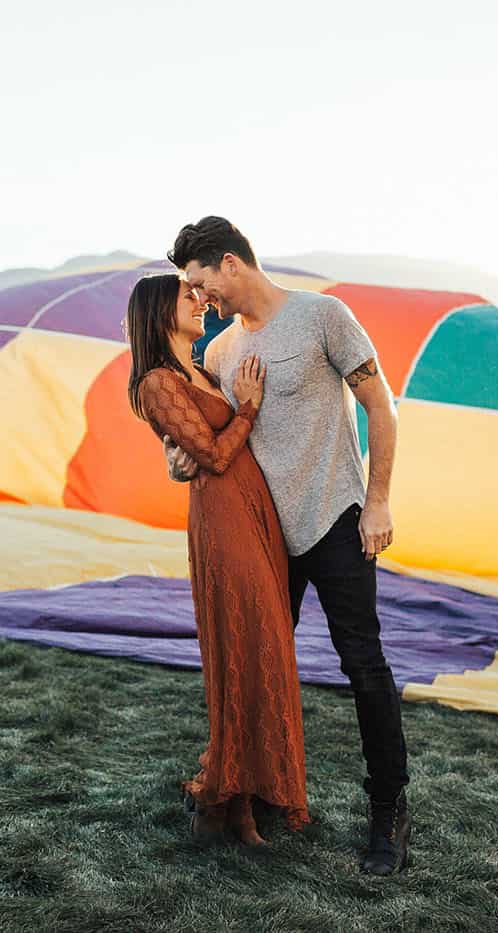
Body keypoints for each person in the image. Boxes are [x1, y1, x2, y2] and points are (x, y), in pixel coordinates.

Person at [166, 217, 411, 875]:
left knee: (363, 664)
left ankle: (388, 810)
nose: (199, 296)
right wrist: (177, 460)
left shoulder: (323, 316)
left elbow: (380, 407)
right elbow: (210, 435)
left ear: (230, 263)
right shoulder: (217, 355)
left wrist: (379, 499)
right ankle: (257, 790)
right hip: (263, 536)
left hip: (335, 518)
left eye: (199, 282)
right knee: (256, 662)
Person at [126, 273, 309, 848]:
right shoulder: (157, 382)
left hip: (254, 513)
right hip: (223, 517)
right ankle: (223, 801)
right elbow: (208, 457)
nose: (201, 302)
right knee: (243, 649)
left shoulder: (203, 371)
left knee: (266, 647)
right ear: (160, 314)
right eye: (188, 297)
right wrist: (249, 410)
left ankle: (242, 797)